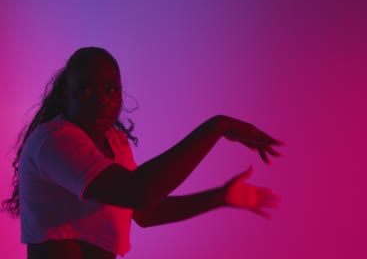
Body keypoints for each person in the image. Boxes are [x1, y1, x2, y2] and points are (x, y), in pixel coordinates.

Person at [2, 47, 282, 258]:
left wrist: (219, 196)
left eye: (111, 89)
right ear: (65, 93)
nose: (102, 99)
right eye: (86, 89)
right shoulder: (54, 141)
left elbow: (146, 212)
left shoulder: (115, 141)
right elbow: (138, 191)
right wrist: (216, 127)